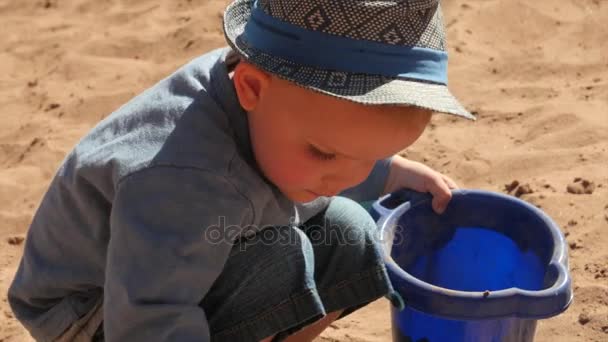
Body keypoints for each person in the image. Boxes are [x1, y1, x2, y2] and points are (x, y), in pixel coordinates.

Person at [9, 0, 474, 341]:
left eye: (369, 157)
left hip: (175, 265)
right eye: (324, 154)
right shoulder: (183, 178)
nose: (347, 178)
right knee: (284, 257)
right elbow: (149, 316)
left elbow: (346, 152)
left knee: (351, 231)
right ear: (252, 87)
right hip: (94, 310)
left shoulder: (270, 99)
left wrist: (391, 173)